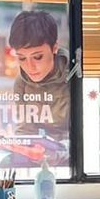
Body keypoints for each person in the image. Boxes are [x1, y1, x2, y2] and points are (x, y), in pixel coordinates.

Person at [9, 9, 72, 140]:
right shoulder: (21, 83)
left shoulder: (75, 75)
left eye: (37, 57)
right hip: (44, 148)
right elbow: (25, 131)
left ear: (54, 48)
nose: (29, 67)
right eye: (22, 58)